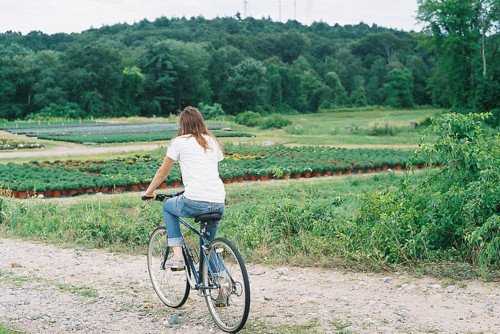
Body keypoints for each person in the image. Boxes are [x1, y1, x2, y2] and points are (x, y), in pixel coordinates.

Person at [142, 106, 225, 270]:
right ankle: (222, 283)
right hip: (218, 200)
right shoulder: (211, 141)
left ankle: (178, 256)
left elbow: (162, 172)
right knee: (207, 245)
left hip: (195, 200)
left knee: (168, 207)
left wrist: (149, 192)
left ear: (182, 125)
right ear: (201, 122)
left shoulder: (179, 142)